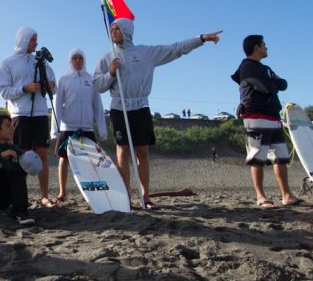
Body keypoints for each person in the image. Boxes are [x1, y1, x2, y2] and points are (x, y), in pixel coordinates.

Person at [94, 18, 221, 209]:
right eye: (111, 29)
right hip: (119, 108)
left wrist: (201, 39)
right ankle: (125, 198)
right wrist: (111, 73)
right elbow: (98, 86)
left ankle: (145, 197)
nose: (113, 32)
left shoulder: (146, 53)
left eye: (117, 28)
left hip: (140, 108)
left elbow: (175, 49)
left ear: (127, 31)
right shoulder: (107, 58)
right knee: (122, 152)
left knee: (142, 152)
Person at [231, 35, 301, 208]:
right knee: (257, 157)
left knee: (281, 156)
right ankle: (261, 196)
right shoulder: (247, 66)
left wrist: (272, 83)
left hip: (273, 115)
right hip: (256, 116)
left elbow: (282, 84)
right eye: (264, 45)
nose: (266, 47)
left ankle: (287, 195)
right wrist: (272, 84)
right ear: (256, 47)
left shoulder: (266, 68)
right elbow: (264, 86)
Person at [0, 26, 56, 208]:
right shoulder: (7, 63)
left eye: (36, 39)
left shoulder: (41, 62)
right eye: (32, 39)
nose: (36, 43)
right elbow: (3, 91)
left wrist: (49, 84)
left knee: (42, 154)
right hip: (19, 115)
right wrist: (25, 89)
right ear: (23, 40)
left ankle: (44, 196)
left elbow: (53, 86)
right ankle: (19, 196)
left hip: (39, 113)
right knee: (20, 155)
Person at [50, 48, 107, 203]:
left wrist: (102, 130)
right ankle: (62, 192)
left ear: (84, 60)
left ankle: (90, 193)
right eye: (74, 58)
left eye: (80, 58)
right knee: (64, 159)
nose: (77, 61)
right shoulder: (64, 79)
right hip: (68, 127)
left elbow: (98, 106)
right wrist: (55, 129)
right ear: (70, 60)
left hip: (87, 128)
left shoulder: (91, 79)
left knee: (90, 162)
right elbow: (58, 105)